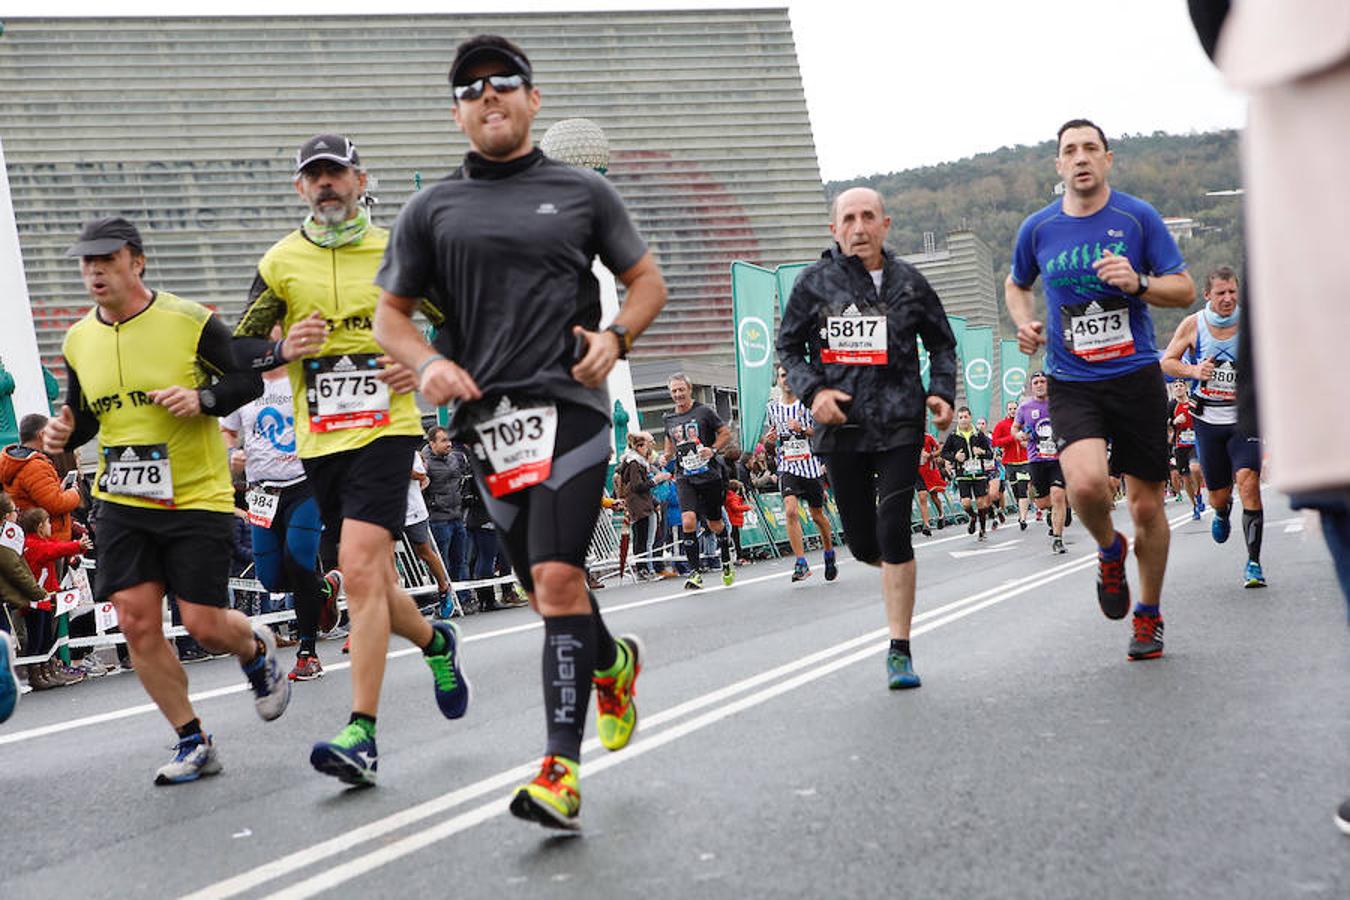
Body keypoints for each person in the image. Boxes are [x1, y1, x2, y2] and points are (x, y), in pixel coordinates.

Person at [370, 33, 667, 830]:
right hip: (487, 424)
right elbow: (389, 317)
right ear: (457, 112)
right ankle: (611, 662)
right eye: (471, 89)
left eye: (504, 82)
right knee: (546, 592)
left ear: (532, 98)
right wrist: (428, 364)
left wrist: (616, 338)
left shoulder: (580, 193)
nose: (488, 95)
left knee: (561, 579)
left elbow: (646, 280)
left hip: (570, 406)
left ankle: (560, 772)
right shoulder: (431, 209)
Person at [232, 134, 468, 787]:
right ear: (299, 188)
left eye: (337, 172)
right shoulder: (280, 263)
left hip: (388, 431)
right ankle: (434, 642)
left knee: (357, 570)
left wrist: (422, 360)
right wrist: (281, 351)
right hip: (319, 442)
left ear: (361, 179)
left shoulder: (400, 249)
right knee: (372, 583)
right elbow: (239, 349)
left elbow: (457, 323)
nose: (327, 184)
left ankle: (361, 732)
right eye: (315, 176)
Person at [42, 216, 291, 784]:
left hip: (195, 495)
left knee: (203, 624)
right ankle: (192, 740)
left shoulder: (190, 320)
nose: (95, 271)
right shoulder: (79, 339)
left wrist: (202, 397)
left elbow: (249, 379)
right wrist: (64, 435)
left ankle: (253, 648)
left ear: (137, 261)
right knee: (136, 622)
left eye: (106, 259)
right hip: (123, 497)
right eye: (86, 262)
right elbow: (82, 419)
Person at [1005, 119, 1195, 660]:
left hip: (1135, 376)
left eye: (1091, 148)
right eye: (1071, 150)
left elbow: (1181, 288)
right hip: (1073, 381)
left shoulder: (1137, 217)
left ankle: (1149, 615)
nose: (1081, 157)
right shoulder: (1038, 228)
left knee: (1145, 508)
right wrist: (1023, 322)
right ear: (1059, 165)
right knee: (1086, 488)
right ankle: (1110, 552)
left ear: (1107, 159)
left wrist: (1138, 283)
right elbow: (1017, 285)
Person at [778, 186, 956, 689]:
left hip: (901, 421)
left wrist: (940, 393)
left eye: (869, 217)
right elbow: (789, 347)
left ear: (885, 224)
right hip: (842, 427)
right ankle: (899, 570)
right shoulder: (814, 283)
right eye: (849, 218)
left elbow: (942, 344)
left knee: (895, 527)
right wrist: (814, 393)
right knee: (863, 543)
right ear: (834, 229)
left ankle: (899, 649)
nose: (859, 226)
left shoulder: (910, 282)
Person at [220, 339, 341, 681]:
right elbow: (227, 430)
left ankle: (308, 653)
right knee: (271, 577)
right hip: (261, 491)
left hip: (304, 485)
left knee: (299, 561)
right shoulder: (244, 380)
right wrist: (233, 454)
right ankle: (324, 590)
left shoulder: (304, 374)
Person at [1161, 266, 1266, 587]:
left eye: (1233, 291)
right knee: (1219, 496)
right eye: (1221, 293)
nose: (1228, 298)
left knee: (1248, 482)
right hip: (1207, 421)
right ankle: (1220, 512)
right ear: (1208, 295)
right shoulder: (1193, 324)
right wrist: (1194, 372)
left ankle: (1253, 563)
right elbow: (1167, 361)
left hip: (1244, 418)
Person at [662, 373, 735, 589]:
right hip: (685, 477)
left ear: (689, 389)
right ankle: (695, 573)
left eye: (681, 390)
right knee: (688, 521)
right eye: (674, 391)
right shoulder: (669, 419)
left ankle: (726, 560)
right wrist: (665, 457)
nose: (678, 395)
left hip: (709, 476)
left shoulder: (703, 412)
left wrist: (711, 450)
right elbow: (669, 447)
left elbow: (725, 433)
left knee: (715, 524)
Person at [765, 365, 838, 581]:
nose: (787, 380)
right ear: (778, 381)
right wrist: (769, 442)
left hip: (810, 465)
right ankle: (801, 563)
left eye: (790, 376)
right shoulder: (772, 409)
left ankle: (829, 552)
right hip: (787, 465)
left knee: (817, 516)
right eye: (782, 376)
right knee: (790, 510)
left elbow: (824, 432)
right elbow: (773, 439)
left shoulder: (809, 404)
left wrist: (803, 430)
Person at [1, 413, 83, 544]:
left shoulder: (14, 461)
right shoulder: (35, 466)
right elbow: (56, 504)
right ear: (42, 434)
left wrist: (58, 488)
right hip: (49, 539)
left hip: (30, 538)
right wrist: (74, 493)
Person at [1014, 373, 1069, 554]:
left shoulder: (1059, 403)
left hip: (1057, 458)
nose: (1039, 385)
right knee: (1043, 503)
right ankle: (1052, 510)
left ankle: (1058, 539)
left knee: (1058, 495)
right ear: (1031, 387)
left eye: (1042, 381)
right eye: (1035, 382)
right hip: (1036, 459)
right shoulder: (1025, 407)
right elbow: (1015, 428)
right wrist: (1019, 435)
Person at [422, 426, 473, 613]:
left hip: (457, 517)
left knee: (459, 560)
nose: (449, 444)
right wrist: (433, 505)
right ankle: (441, 601)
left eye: (449, 440)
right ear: (432, 443)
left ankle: (461, 600)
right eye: (443, 440)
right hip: (438, 519)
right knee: (441, 562)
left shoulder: (454, 458)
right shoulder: (425, 462)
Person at [405, 450, 455, 616]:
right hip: (388, 512)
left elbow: (421, 475)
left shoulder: (406, 451)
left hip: (413, 511)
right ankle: (396, 605)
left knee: (424, 552)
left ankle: (444, 588)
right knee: (386, 556)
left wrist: (397, 468)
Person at [942, 407, 994, 542]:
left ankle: (982, 530)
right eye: (960, 417)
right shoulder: (953, 435)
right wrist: (955, 457)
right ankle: (972, 516)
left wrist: (982, 452)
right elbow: (944, 453)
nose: (963, 420)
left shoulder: (978, 434)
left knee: (981, 503)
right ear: (958, 420)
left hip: (979, 474)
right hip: (963, 474)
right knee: (965, 503)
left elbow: (990, 453)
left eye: (966, 417)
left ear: (970, 418)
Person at [617, 432, 662, 580]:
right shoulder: (635, 463)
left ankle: (643, 569)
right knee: (644, 539)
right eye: (646, 446)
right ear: (638, 447)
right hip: (641, 505)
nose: (648, 450)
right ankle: (645, 570)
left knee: (640, 538)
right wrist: (656, 480)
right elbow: (637, 486)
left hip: (637, 504)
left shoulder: (631, 462)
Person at [991, 399, 1032, 530]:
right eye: (1010, 409)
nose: (1013, 411)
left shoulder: (1026, 423)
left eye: (1015, 408)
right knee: (1015, 490)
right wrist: (1012, 437)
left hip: (1025, 461)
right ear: (1007, 410)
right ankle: (1021, 511)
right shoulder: (1001, 425)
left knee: (1022, 488)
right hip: (1010, 462)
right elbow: (995, 442)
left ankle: (1024, 518)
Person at [1167, 379, 1204, 520]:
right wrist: (1174, 422)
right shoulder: (1171, 405)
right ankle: (1195, 505)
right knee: (1186, 478)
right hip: (1180, 445)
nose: (1178, 388)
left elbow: (1203, 416)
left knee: (1195, 468)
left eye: (1180, 386)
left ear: (1185, 388)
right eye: (1175, 386)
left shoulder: (1193, 402)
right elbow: (1166, 424)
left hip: (1195, 442)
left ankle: (1199, 493)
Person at [915, 429, 948, 536]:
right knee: (922, 496)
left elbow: (940, 450)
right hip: (917, 472)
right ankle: (926, 525)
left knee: (934, 496)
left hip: (929, 471)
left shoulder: (928, 437)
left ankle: (941, 514)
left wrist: (930, 455)